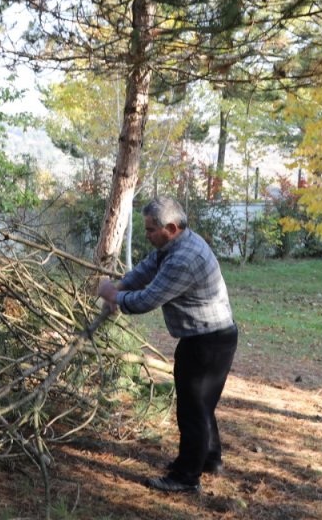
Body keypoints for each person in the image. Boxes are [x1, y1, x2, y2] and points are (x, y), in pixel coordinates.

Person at [96, 197, 238, 494]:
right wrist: (120, 286)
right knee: (202, 406)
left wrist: (114, 297)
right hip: (207, 337)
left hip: (207, 342)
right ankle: (209, 460)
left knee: (192, 409)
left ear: (171, 228)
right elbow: (146, 270)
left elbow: (148, 299)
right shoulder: (175, 244)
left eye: (150, 230)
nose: (147, 235)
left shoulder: (184, 259)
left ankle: (186, 477)